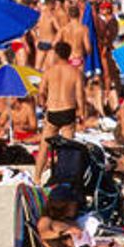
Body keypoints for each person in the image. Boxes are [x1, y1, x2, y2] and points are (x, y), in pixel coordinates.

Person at [36, 40, 85, 183]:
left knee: (44, 147)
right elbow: (79, 95)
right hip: (68, 110)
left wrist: (43, 103)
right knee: (67, 148)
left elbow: (41, 92)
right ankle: (65, 178)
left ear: (56, 54)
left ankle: (37, 177)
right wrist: (82, 112)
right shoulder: (75, 72)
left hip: (53, 111)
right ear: (69, 54)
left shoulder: (49, 71)